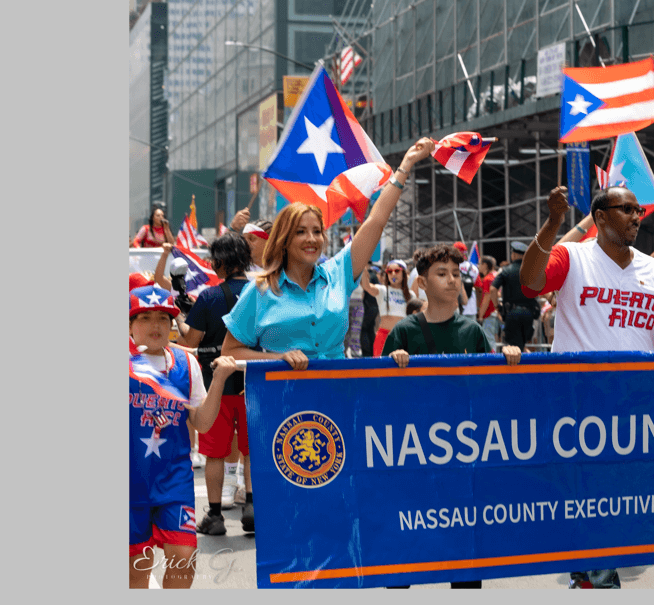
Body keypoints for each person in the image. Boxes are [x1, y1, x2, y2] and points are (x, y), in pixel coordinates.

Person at [519, 185, 654, 589]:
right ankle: (597, 581)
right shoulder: (572, 256)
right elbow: (530, 283)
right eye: (626, 209)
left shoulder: (653, 270)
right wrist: (552, 225)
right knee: (594, 501)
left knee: (617, 507)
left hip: (635, 410)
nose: (635, 216)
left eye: (638, 210)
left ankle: (590, 577)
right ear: (600, 217)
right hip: (579, 406)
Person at [221, 138, 434, 370]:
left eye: (317, 232)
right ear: (284, 240)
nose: (311, 239)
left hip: (337, 393)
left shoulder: (339, 272)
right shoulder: (259, 290)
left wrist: (406, 164)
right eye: (301, 232)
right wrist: (279, 359)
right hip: (285, 400)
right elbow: (230, 352)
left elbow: (376, 221)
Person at [384, 243, 521, 590]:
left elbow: (491, 390)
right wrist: (392, 366)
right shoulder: (404, 332)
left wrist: (507, 359)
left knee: (464, 547)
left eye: (456, 275)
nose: (450, 281)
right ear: (422, 284)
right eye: (441, 274)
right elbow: (380, 396)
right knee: (403, 543)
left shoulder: (472, 332)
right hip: (413, 455)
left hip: (461, 455)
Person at [129, 285, 233, 588]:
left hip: (174, 480)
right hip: (130, 483)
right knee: (136, 571)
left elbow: (201, 423)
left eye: (163, 318)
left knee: (184, 560)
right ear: (130, 325)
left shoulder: (186, 364)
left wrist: (220, 379)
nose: (155, 326)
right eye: (145, 318)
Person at [175, 233, 256, 535]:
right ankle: (251, 505)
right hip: (254, 385)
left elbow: (190, 340)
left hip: (217, 386)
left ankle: (215, 516)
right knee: (251, 451)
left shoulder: (208, 297)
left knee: (214, 452)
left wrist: (183, 313)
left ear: (220, 262)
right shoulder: (262, 293)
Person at [490, 241, 539, 351]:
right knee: (522, 345)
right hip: (529, 313)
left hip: (512, 314)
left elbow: (493, 289)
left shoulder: (506, 270)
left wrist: (497, 306)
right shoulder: (532, 271)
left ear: (514, 255)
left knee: (513, 348)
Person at [364, 259, 412, 357]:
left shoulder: (411, 295)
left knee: (402, 371)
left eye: (397, 271)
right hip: (383, 337)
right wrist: (362, 264)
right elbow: (366, 286)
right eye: (389, 271)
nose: (393, 274)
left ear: (404, 273)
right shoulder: (381, 290)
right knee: (379, 371)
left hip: (403, 338)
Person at [475, 255, 500, 346]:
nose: (478, 266)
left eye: (480, 263)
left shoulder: (488, 279)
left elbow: (486, 298)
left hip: (489, 313)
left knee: (489, 340)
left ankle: (492, 360)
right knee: (494, 338)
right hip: (495, 312)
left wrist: (480, 315)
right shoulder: (496, 276)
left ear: (485, 265)